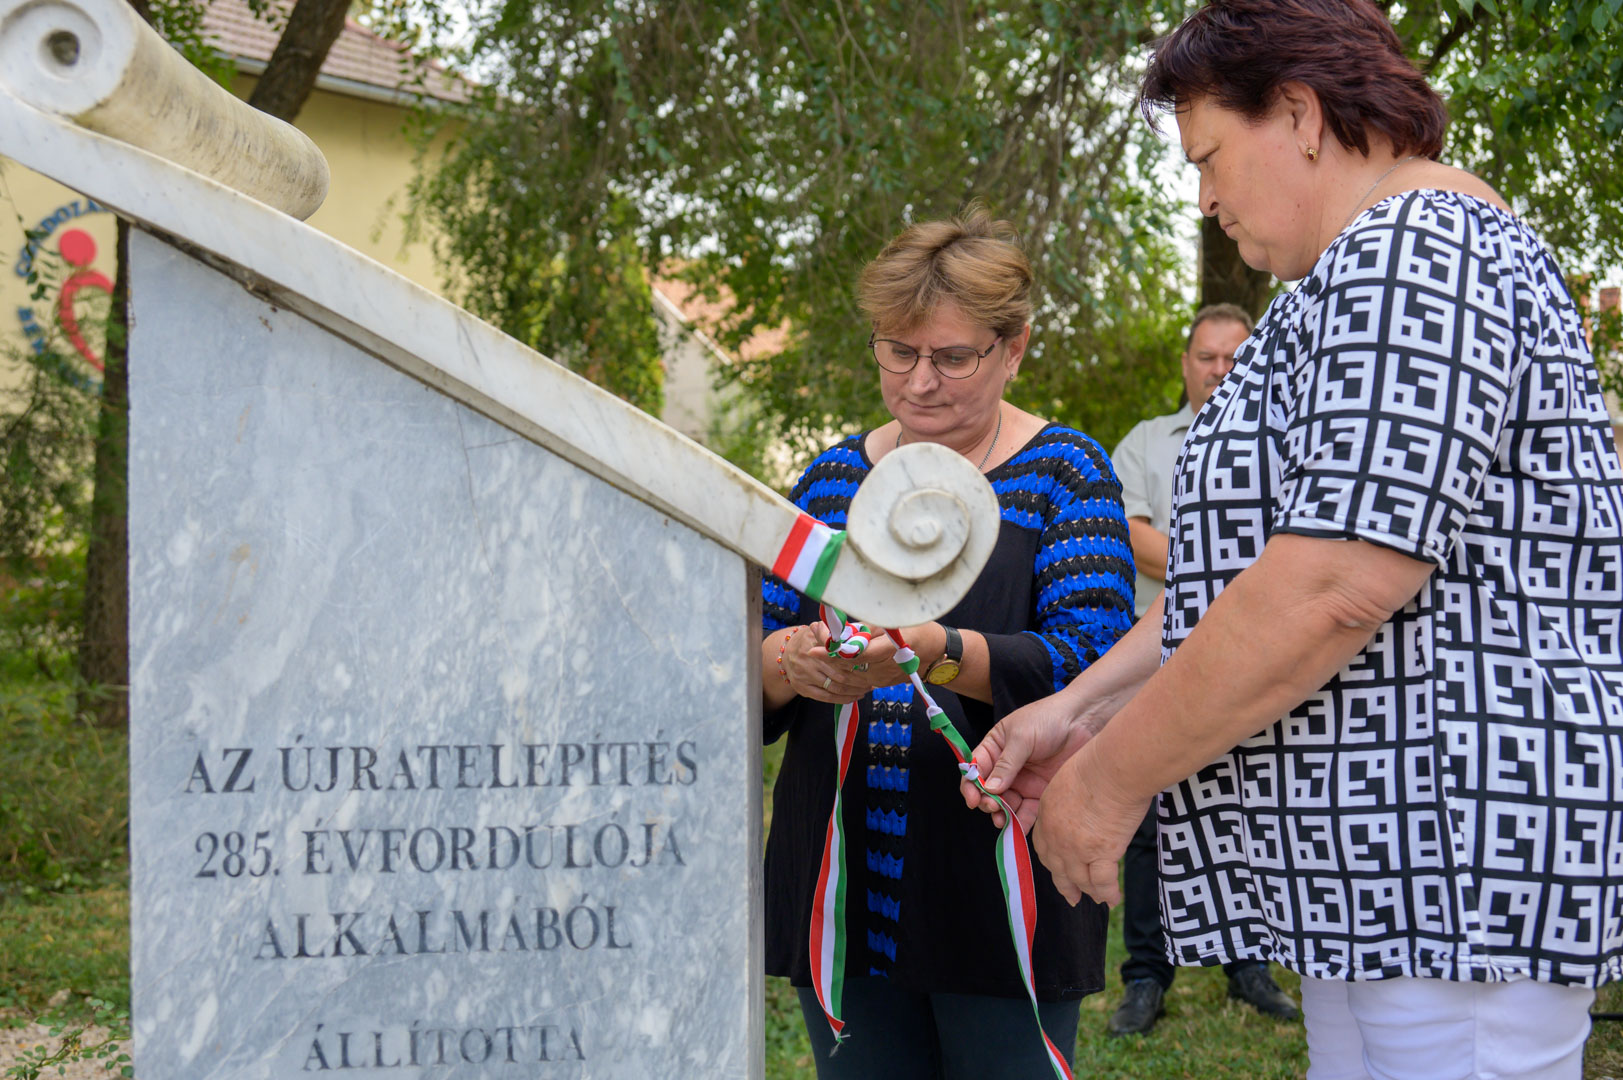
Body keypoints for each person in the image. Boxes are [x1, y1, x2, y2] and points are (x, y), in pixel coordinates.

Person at [960, 3, 1623, 1078]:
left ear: (1302, 116)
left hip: (1450, 857)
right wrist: (1079, 709)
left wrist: (1111, 780)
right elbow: (1249, 582)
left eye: (1209, 157)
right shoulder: (1354, 273)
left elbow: (1332, 585)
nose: (1206, 198)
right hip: (1386, 867)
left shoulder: (1421, 250)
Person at [760, 205, 1136, 1078]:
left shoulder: (1063, 474)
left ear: (1014, 348)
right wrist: (791, 664)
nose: (919, 382)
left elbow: (1091, 663)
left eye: (951, 357)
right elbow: (750, 646)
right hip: (845, 877)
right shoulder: (831, 480)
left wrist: (932, 649)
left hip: (998, 873)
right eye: (898, 351)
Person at [1107, 302, 1301, 1035]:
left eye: (1234, 357)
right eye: (1207, 357)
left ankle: (1248, 966)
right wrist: (1234, 571)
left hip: (1256, 650)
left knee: (1249, 803)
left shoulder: (1291, 437)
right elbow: (1129, 534)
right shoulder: (1144, 443)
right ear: (1185, 365)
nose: (1220, 370)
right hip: (1155, 650)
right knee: (1149, 815)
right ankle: (1145, 976)